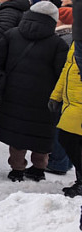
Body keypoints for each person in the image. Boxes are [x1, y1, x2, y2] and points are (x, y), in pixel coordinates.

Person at [0, 1, 68, 182]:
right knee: (41, 133)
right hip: (44, 98)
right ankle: (39, 168)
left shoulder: (12, 35)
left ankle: (17, 168)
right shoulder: (58, 44)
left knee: (17, 132)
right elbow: (61, 73)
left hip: (13, 93)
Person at [50, 40, 82, 196]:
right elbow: (67, 69)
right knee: (70, 139)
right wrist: (56, 96)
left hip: (79, 102)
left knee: (68, 138)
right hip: (72, 101)